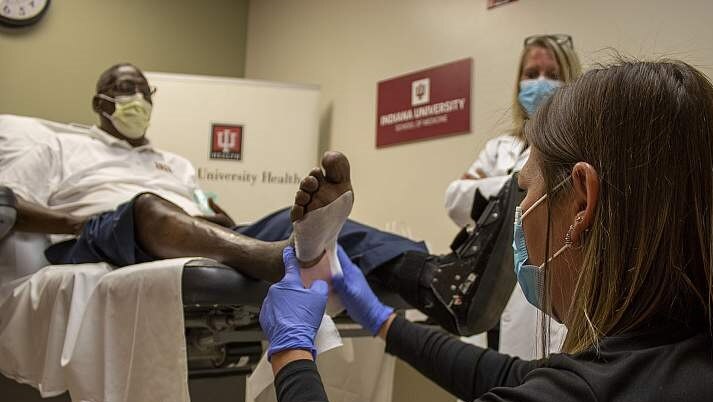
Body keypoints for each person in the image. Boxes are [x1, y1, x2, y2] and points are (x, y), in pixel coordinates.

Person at [259, 59, 713, 402]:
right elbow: (503, 375)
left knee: (271, 228)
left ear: (582, 202)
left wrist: (291, 350)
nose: (519, 215)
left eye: (525, 191)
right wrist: (381, 320)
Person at [0, 63, 518, 336]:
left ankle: (442, 283)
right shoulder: (65, 146)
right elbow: (13, 202)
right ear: (100, 100)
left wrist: (214, 216)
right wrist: (78, 222)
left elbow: (205, 206)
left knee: (331, 229)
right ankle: (286, 258)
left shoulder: (174, 163)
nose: (135, 97)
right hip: (106, 234)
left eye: (141, 89)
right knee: (147, 206)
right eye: (122, 88)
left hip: (183, 229)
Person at [446, 34, 581, 358]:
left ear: (572, 82)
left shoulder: (579, 147)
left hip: (543, 303)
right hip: (486, 294)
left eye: (553, 74)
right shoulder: (502, 147)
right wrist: (519, 185)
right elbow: (455, 200)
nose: (541, 83)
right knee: (480, 389)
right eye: (531, 75)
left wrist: (493, 186)